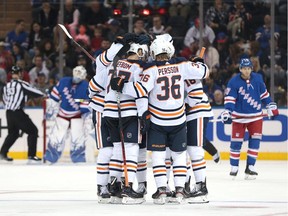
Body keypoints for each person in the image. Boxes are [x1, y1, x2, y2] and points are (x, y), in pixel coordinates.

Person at [111, 37, 209, 204]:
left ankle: (162, 191)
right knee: (179, 155)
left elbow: (139, 90)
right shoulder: (182, 65)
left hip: (158, 120)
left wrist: (121, 85)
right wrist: (199, 63)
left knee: (158, 156)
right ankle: (179, 191)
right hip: (178, 119)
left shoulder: (151, 69)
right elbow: (204, 72)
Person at [221, 58, 279, 180]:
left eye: (248, 68)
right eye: (244, 68)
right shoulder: (233, 82)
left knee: (255, 142)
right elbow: (230, 99)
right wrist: (228, 111)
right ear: (240, 69)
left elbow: (264, 95)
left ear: (251, 69)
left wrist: (270, 104)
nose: (246, 71)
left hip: (256, 117)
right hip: (239, 117)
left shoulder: (258, 78)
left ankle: (250, 167)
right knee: (236, 143)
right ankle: (234, 167)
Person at [44, 66, 90, 163]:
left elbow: (85, 104)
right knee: (56, 137)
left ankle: (78, 159)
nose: (77, 75)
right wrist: (50, 111)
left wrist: (86, 115)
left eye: (79, 73)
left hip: (76, 116)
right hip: (62, 115)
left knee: (78, 139)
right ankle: (50, 157)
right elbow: (54, 97)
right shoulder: (64, 81)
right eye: (76, 72)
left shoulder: (85, 86)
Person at [0, 66, 44, 162]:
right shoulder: (22, 84)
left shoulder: (6, 86)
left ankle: (2, 153)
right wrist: (44, 94)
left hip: (8, 113)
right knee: (33, 131)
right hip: (17, 112)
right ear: (20, 74)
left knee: (13, 133)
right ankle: (31, 156)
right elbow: (35, 93)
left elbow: (4, 99)